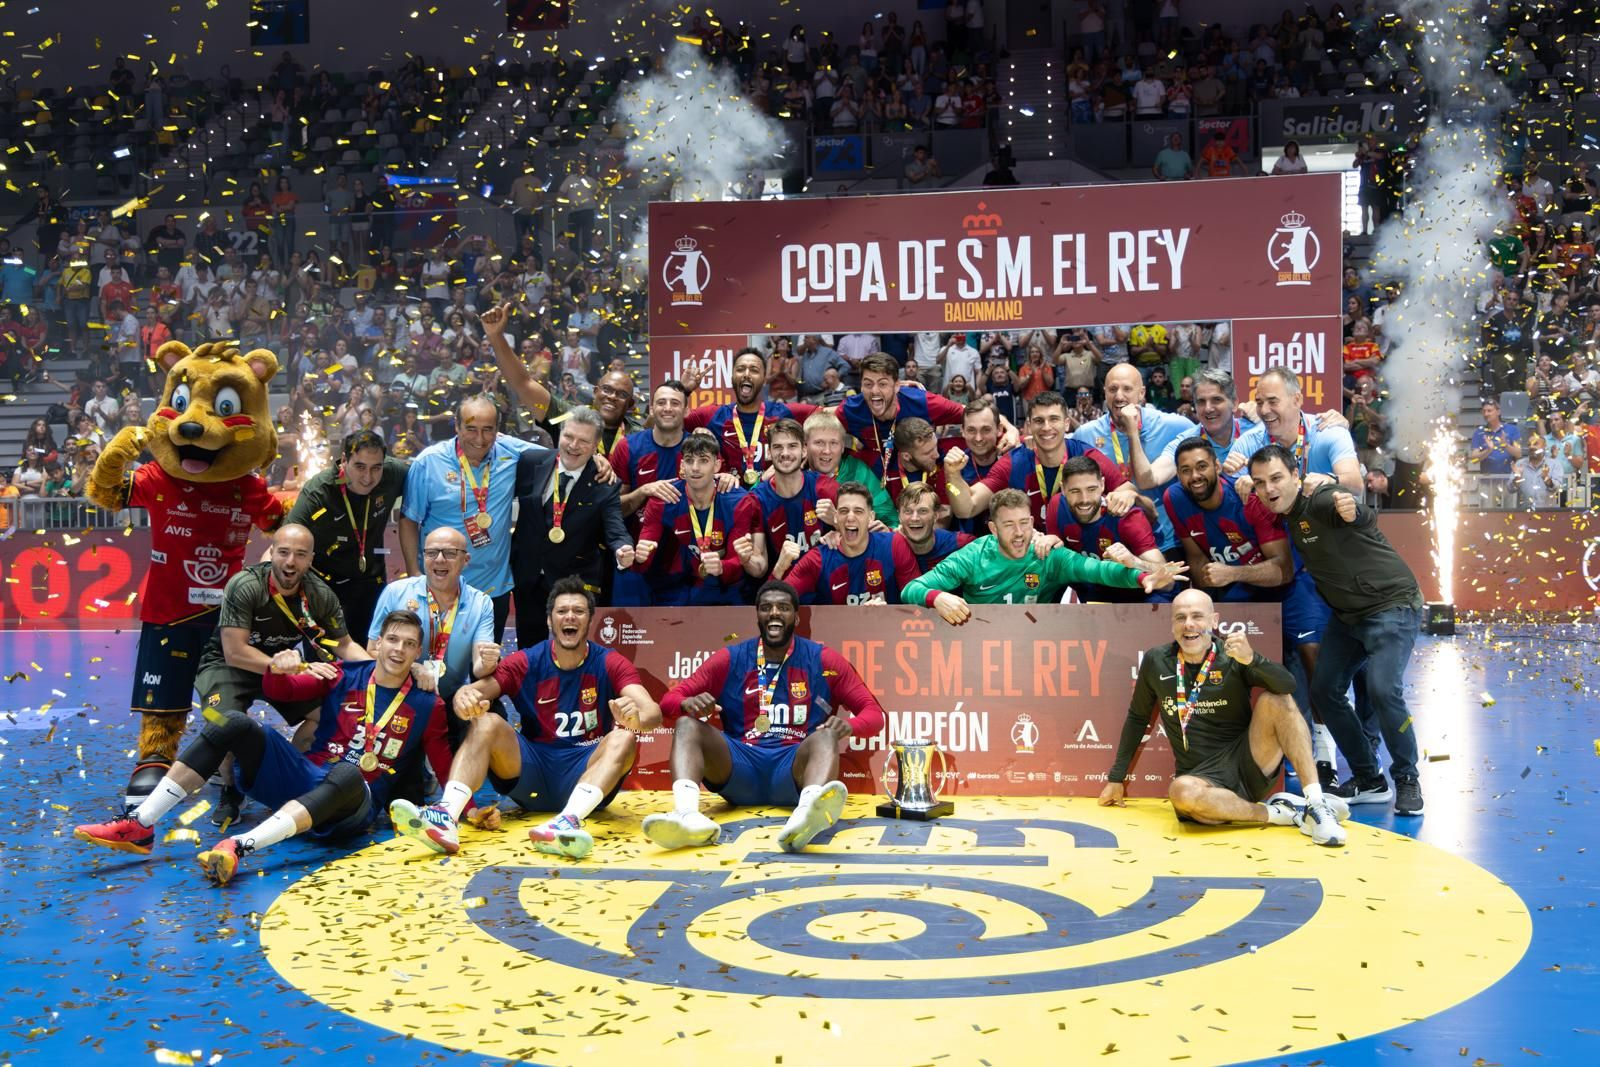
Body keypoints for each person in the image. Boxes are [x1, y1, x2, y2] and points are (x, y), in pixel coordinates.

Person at [75, 610, 455, 883]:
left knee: (348, 773)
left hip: (352, 806)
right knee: (234, 722)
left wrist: (461, 810)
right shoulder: (344, 673)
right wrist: (280, 668)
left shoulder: (428, 703)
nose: (398, 650)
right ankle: (140, 823)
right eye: (393, 640)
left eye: (409, 644)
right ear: (377, 643)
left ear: (417, 654)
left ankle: (238, 846)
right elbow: (282, 691)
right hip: (305, 778)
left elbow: (443, 764)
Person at [394, 578, 661, 860]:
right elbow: (475, 692)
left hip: (586, 769)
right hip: (533, 771)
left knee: (624, 737)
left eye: (579, 611)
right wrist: (464, 697)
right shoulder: (527, 661)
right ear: (549, 620)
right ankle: (446, 816)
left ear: (590, 621)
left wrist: (636, 719)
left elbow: (653, 713)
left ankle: (567, 822)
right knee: (485, 722)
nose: (570, 616)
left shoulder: (609, 661)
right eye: (562, 611)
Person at [641, 581, 886, 852]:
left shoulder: (824, 660)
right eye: (766, 607)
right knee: (687, 725)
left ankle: (807, 815)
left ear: (797, 617)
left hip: (793, 769)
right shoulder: (731, 658)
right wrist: (687, 703)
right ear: (757, 615)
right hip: (740, 767)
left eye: (783, 607)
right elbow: (668, 703)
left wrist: (848, 725)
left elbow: (874, 715)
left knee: (825, 736)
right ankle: (686, 816)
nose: (774, 613)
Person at [1248, 443, 1424, 816]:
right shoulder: (1289, 514)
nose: (1268, 488)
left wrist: (1353, 509)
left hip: (1391, 606)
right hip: (1347, 616)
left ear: (1296, 475)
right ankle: (1369, 778)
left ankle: (1407, 777)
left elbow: (1356, 511)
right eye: (1260, 483)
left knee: (1382, 689)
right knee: (1324, 691)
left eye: (1276, 478)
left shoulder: (1321, 499)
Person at [1096, 590, 1348, 846]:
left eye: (1197, 616)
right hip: (1200, 777)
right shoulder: (1156, 660)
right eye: (1181, 617)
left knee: (1277, 700)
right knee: (1181, 792)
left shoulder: (1233, 655)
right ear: (1172, 624)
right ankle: (1283, 814)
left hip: (1250, 764)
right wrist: (1116, 779)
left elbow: (1288, 685)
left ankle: (1316, 804)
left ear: (1214, 620)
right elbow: (1138, 718)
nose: (1189, 624)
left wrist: (1252, 659)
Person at [193, 524, 373, 825]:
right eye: (284, 552)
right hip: (228, 666)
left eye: (300, 555)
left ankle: (282, 775)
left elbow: (344, 644)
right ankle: (231, 790)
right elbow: (234, 652)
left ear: (311, 559)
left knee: (325, 716)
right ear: (272, 552)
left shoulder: (319, 594)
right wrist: (299, 667)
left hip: (281, 669)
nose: (291, 562)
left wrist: (384, 673)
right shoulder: (245, 585)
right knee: (223, 722)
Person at [904, 488, 1184, 619]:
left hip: (1035, 646)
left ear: (1032, 523)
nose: (1019, 533)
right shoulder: (972, 556)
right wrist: (936, 597)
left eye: (1024, 523)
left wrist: (1141, 578)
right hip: (982, 646)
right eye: (1008, 525)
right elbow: (911, 589)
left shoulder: (1047, 555)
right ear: (993, 529)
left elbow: (1098, 570)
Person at [400, 395, 544, 641]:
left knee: (486, 660)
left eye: (488, 429)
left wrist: (594, 459)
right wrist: (414, 573)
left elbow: (561, 456)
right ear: (456, 427)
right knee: (436, 659)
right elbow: (409, 520)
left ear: (498, 431)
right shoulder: (428, 462)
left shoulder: (510, 452)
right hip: (440, 583)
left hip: (493, 588)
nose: (480, 439)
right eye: (471, 429)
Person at [511, 405, 632, 646]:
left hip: (574, 584)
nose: (573, 445)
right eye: (569, 436)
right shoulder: (529, 462)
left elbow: (615, 527)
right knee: (529, 651)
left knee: (573, 651)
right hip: (528, 577)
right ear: (560, 434)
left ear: (596, 445)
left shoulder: (605, 484)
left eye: (583, 441)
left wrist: (623, 548)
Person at [284, 430, 409, 641]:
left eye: (376, 468)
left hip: (370, 579)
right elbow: (286, 538)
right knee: (327, 649)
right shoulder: (319, 490)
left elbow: (427, 476)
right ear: (344, 460)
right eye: (360, 467)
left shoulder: (393, 472)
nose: (368, 478)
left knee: (369, 646)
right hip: (325, 583)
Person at [949, 390, 1134, 527]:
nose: (1046, 427)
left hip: (1076, 551)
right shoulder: (1013, 463)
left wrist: (1127, 495)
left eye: (1053, 419)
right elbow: (967, 508)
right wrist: (952, 476)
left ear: (1066, 424)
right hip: (1031, 553)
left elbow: (1127, 488)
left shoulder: (1085, 455)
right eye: (1039, 421)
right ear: (1029, 425)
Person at [624, 433, 766, 605]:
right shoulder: (663, 499)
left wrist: (722, 566)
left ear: (717, 465)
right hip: (675, 590)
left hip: (726, 590)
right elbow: (646, 550)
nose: (695, 468)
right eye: (689, 460)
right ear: (682, 465)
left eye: (703, 460)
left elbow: (737, 559)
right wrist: (638, 558)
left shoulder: (739, 502)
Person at [1076, 364, 1201, 555]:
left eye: (1127, 389)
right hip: (1114, 545)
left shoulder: (1175, 425)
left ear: (1141, 393)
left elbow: (1209, 435)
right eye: (1112, 389)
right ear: (1105, 393)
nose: (1119, 396)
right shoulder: (1085, 435)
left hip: (1167, 542)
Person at [368, 526, 499, 706]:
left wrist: (488, 663)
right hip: (396, 696)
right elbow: (372, 651)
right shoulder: (395, 592)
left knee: (492, 720)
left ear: (465, 560)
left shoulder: (481, 603)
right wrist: (412, 667)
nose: (439, 559)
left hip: (451, 699)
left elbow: (479, 667)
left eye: (450, 553)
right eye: (431, 553)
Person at [840, 353, 996, 478]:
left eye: (883, 384)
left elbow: (976, 413)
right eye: (868, 384)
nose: (874, 391)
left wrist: (1006, 426)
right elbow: (825, 416)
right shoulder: (852, 409)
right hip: (879, 476)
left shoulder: (923, 402)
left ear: (897, 386)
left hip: (924, 471)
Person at [683, 348, 817, 484]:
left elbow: (828, 415)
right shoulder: (714, 415)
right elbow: (673, 421)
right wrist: (685, 390)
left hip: (772, 494)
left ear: (764, 379)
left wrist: (807, 450)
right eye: (740, 369)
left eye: (754, 370)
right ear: (732, 377)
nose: (746, 374)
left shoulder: (783, 413)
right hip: (729, 495)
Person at [1224, 367, 1363, 495]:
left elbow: (1356, 484)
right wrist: (1231, 477)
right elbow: (1226, 495)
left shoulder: (1327, 431)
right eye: (1259, 403)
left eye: (1273, 401)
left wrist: (1328, 479)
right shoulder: (1249, 441)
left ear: (1297, 400)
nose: (1264, 410)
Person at [1047, 456, 1167, 602]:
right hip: (1094, 598)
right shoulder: (1057, 506)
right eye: (1075, 491)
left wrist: (1135, 562)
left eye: (1091, 489)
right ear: (1063, 489)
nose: (1084, 499)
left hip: (1141, 598)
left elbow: (1168, 576)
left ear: (1102, 485)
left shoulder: (1127, 517)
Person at [783, 482, 921, 604]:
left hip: (886, 625)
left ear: (871, 517)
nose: (850, 517)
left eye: (858, 511)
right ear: (835, 517)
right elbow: (777, 600)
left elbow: (917, 602)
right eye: (844, 511)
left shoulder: (894, 545)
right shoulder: (817, 559)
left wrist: (883, 614)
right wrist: (779, 567)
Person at [756, 417, 839, 578]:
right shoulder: (757, 500)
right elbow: (758, 570)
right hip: (782, 586)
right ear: (769, 452)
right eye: (778, 447)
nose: (785, 453)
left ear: (804, 451)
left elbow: (861, 533)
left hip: (824, 584)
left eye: (792, 446)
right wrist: (746, 558)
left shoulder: (825, 488)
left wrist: (837, 524)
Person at [802, 410, 897, 528]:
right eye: (819, 443)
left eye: (834, 443)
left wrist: (837, 521)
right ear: (805, 446)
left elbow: (892, 522)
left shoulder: (858, 472)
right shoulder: (795, 475)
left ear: (842, 447)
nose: (827, 451)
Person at [612, 380, 691, 518]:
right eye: (661, 403)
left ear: (686, 411)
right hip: (638, 532)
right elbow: (612, 508)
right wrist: (643, 491)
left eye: (675, 403)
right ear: (652, 410)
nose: (667, 408)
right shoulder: (627, 447)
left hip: (689, 532)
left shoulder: (699, 448)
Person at [896, 481, 972, 573]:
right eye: (908, 511)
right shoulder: (889, 550)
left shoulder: (961, 544)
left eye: (923, 511)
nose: (914, 518)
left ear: (935, 516)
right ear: (899, 516)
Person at [1468, 398, 1522, 476]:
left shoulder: (1512, 429)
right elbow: (1474, 460)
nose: (1486, 414)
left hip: (1508, 478)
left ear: (1498, 412)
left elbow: (1518, 454)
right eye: (1484, 411)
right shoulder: (1479, 432)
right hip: (1487, 479)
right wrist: (1488, 450)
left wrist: (1506, 445)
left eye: (1489, 411)